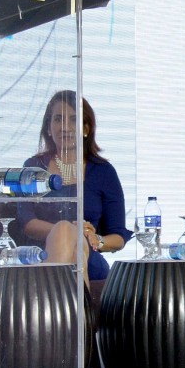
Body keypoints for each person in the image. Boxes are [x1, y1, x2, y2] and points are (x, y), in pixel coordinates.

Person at [17, 90, 131, 281]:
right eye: (58, 119)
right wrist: (69, 231)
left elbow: (118, 237)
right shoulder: (33, 167)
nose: (65, 127)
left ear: (86, 128)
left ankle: (51, 299)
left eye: (73, 119)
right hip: (40, 254)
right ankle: (77, 302)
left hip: (89, 253)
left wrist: (96, 239)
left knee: (77, 247)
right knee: (68, 239)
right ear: (48, 127)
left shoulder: (104, 171)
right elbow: (27, 222)